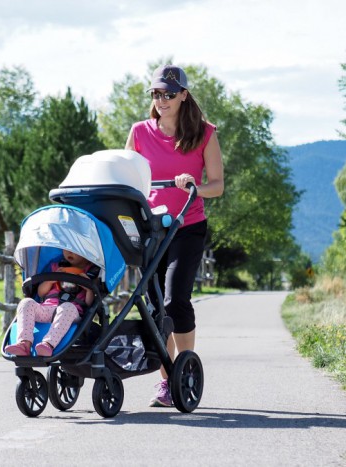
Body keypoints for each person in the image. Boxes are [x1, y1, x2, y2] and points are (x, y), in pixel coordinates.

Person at [125, 64, 224, 407]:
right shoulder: (139, 132)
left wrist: (195, 186)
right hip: (152, 227)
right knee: (153, 306)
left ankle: (186, 366)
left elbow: (218, 186)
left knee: (174, 299)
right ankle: (167, 381)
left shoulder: (205, 133)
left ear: (183, 95)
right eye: (156, 94)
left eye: (168, 94)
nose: (161, 100)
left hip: (187, 225)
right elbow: (129, 177)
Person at [4, 249, 96, 357]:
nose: (69, 252)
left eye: (74, 249)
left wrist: (89, 288)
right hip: (47, 308)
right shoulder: (56, 267)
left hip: (71, 313)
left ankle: (48, 344)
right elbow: (41, 293)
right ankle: (24, 343)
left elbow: (89, 303)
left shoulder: (91, 273)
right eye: (66, 249)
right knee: (26, 302)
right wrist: (51, 279)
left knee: (67, 307)